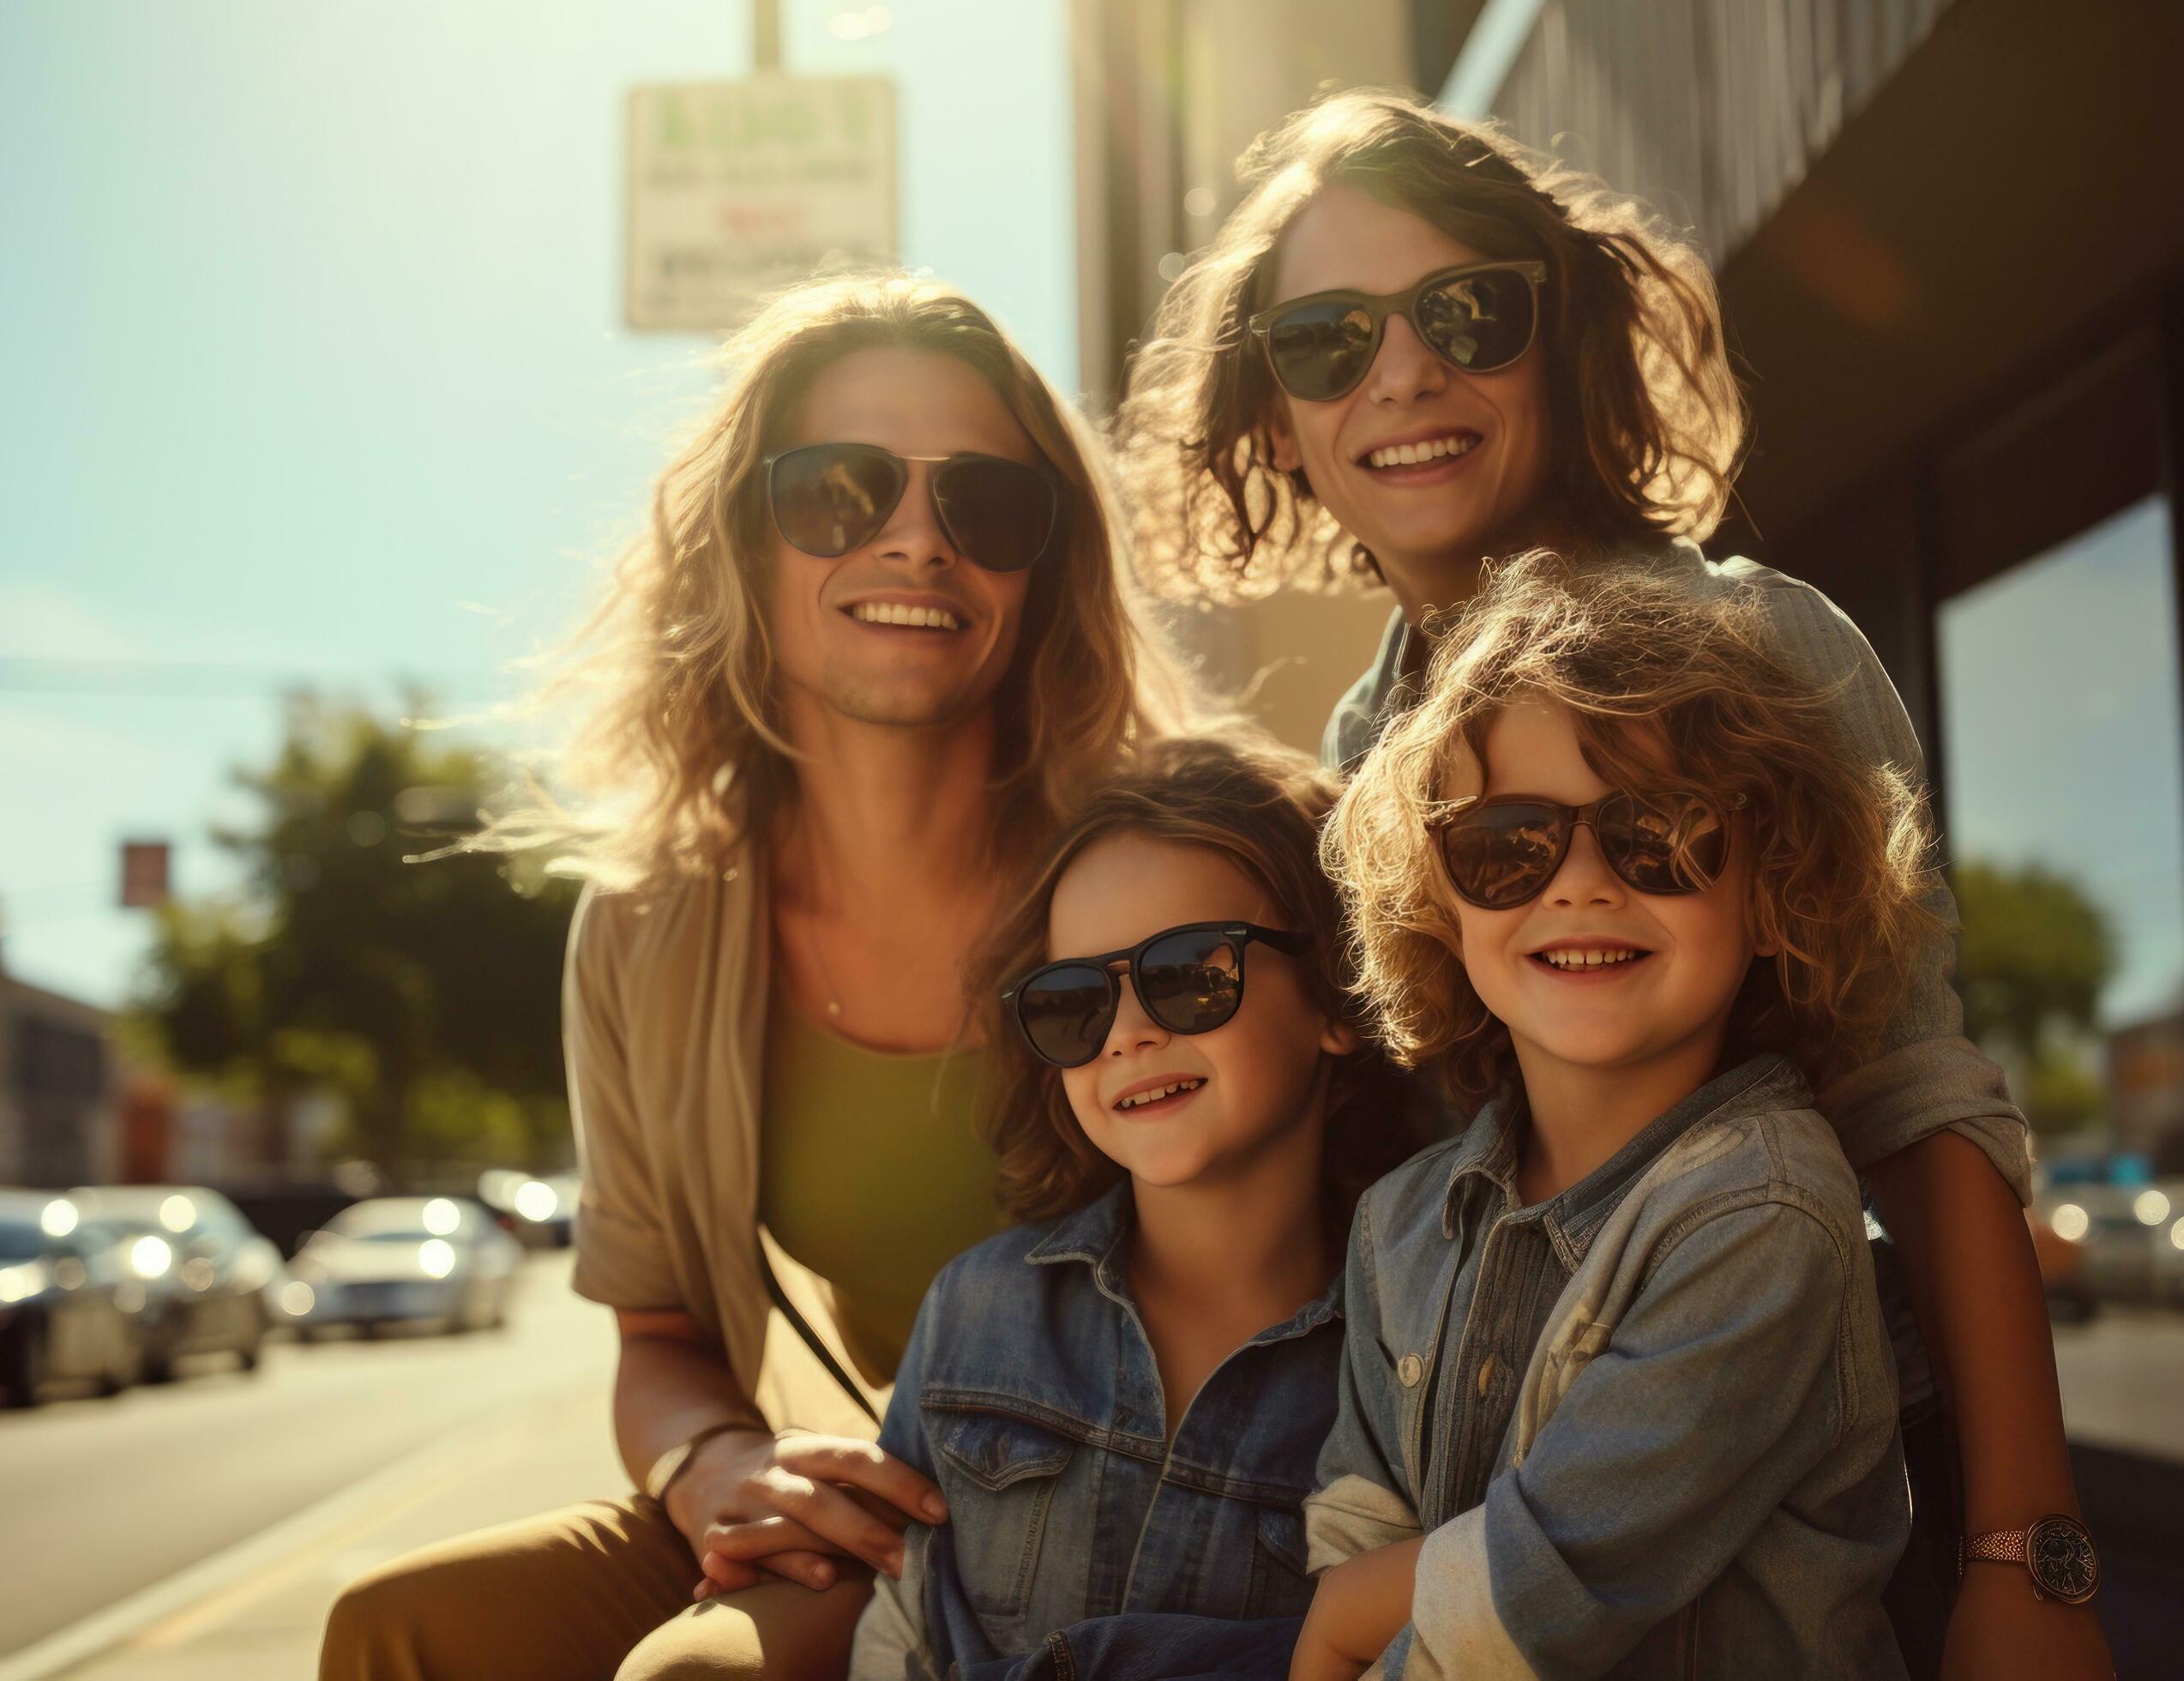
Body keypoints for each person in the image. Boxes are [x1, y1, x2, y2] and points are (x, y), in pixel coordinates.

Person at [1116, 90, 2110, 1677]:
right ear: (1278, 411)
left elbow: (1922, 1114)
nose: (1403, 373)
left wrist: (2029, 1565)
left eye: (1465, 312)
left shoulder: (1757, 649)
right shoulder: (1367, 741)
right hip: (1470, 1518)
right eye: (1327, 341)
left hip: (1767, 1535)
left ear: (1562, 335)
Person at [320, 272, 1187, 1681]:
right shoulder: (652, 928)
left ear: (1046, 569)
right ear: (742, 540)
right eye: (839, 492)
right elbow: (657, 1330)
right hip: (879, 1500)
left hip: (1152, 1497)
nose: (916, 540)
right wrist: (717, 1463)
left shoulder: (1165, 870)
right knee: (398, 1630)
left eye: (985, 504)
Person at [1297, 562, 1932, 1676]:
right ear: (1437, 900)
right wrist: (1345, 1606)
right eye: (1507, 842)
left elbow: (1537, 1593)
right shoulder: (1400, 1220)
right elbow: (1356, 1520)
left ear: (1775, 887)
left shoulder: (1763, 1210)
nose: (1582, 882)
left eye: (1662, 833)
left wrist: (1345, 1625)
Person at [833, 736, 1422, 1679]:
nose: (1128, 1033)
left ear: (1338, 999)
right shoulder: (977, 1311)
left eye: (1188, 974)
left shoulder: (1416, 1361)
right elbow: (897, 1635)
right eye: (1074, 1002)